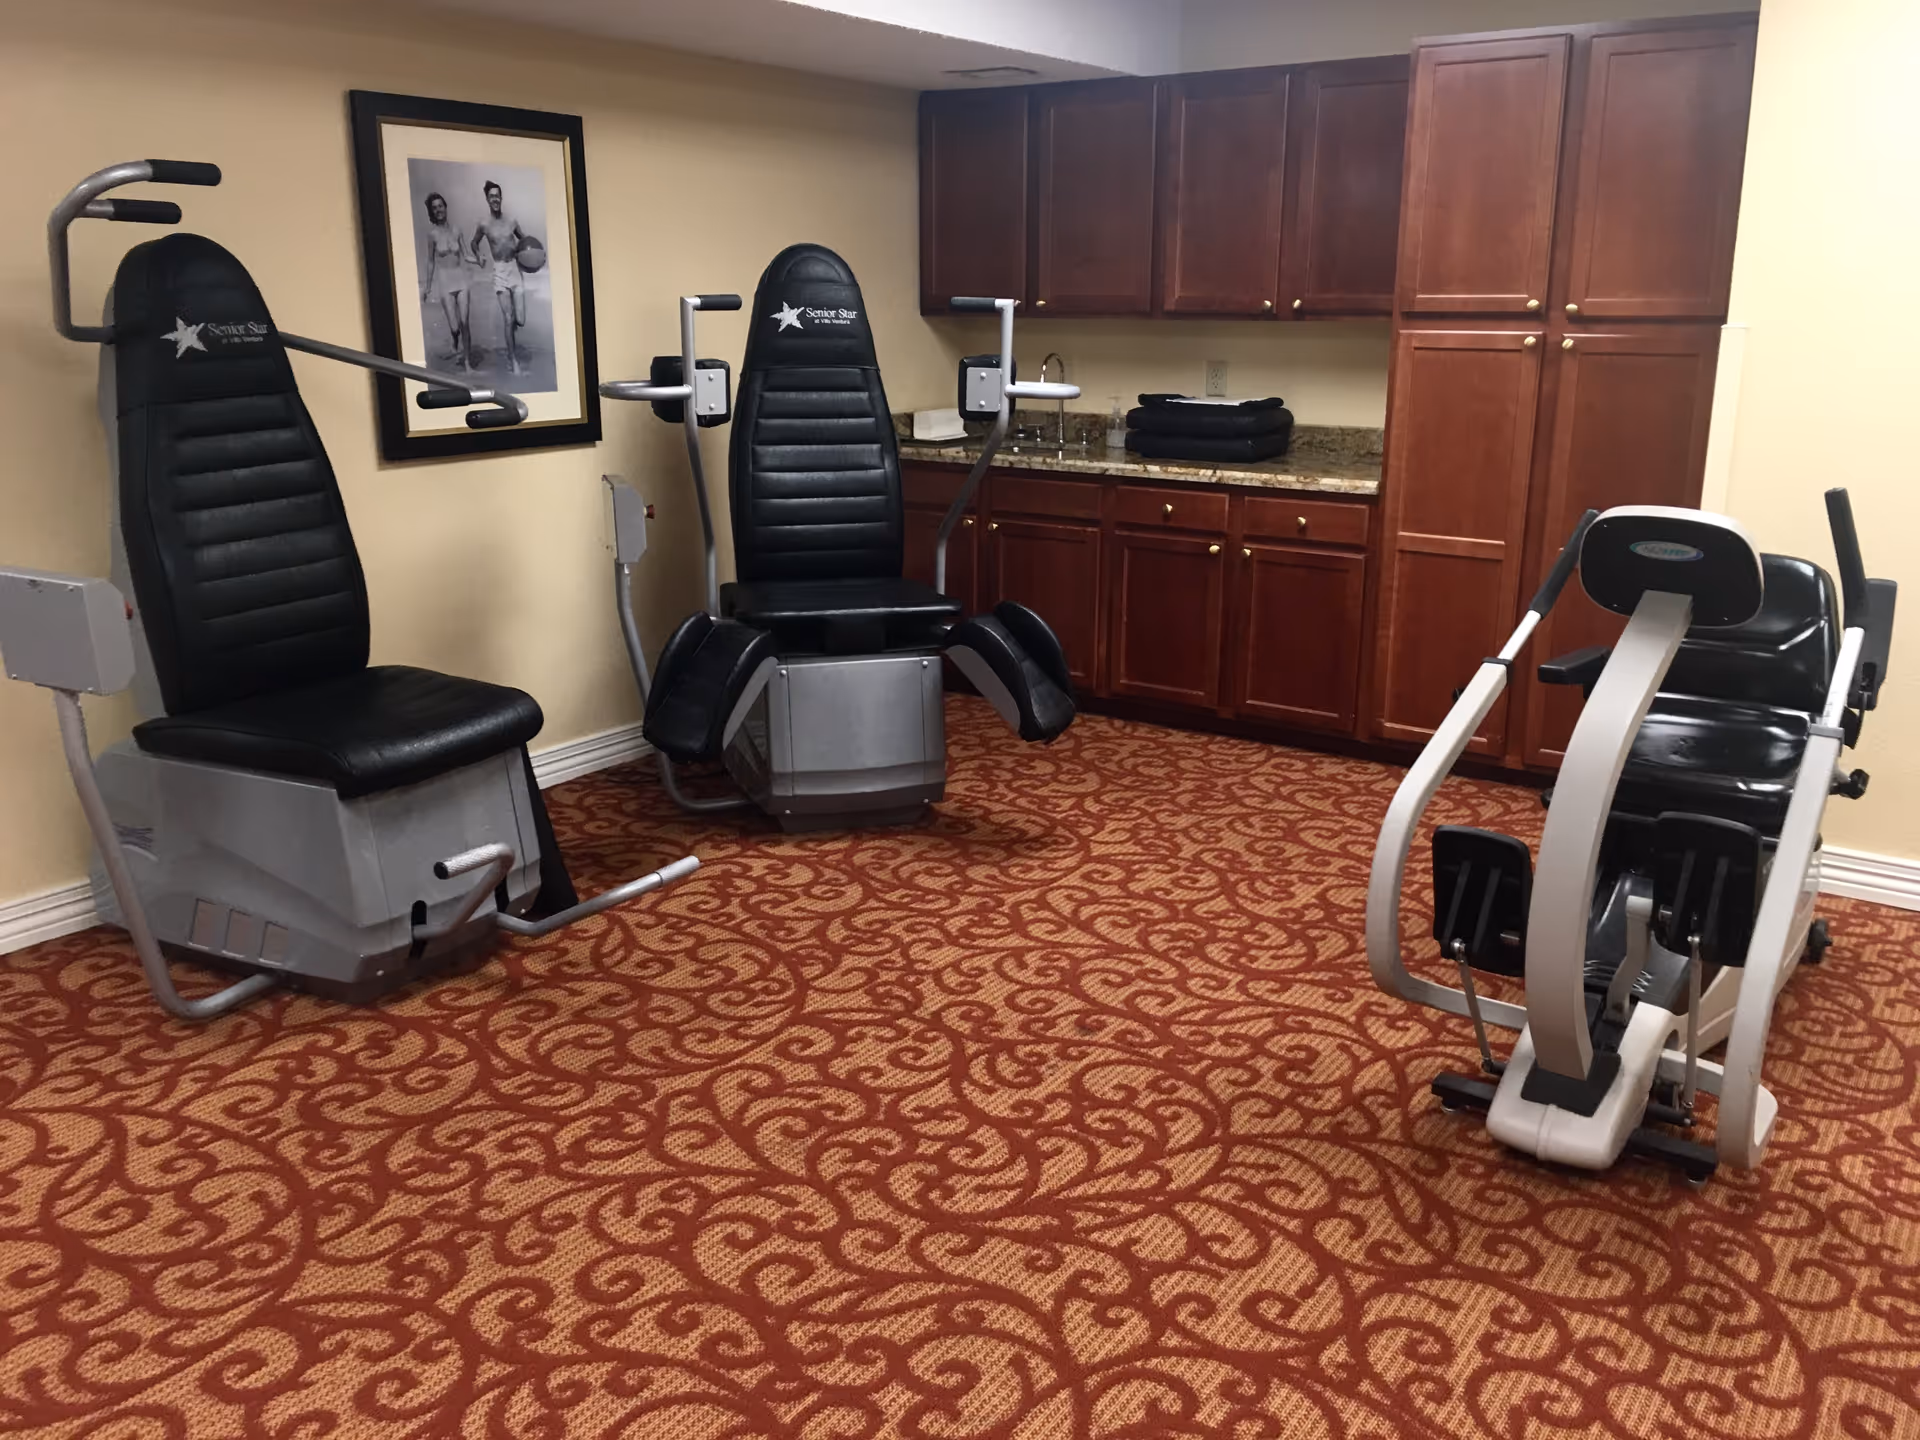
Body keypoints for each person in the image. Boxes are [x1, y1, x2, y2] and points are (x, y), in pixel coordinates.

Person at [470, 180, 528, 376]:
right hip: (500, 271)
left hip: (515, 268)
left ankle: (512, 332)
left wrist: (533, 258)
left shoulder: (512, 221)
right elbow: (474, 243)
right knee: (508, 317)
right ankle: (513, 360)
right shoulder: (483, 224)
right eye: (491, 196)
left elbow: (525, 240)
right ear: (487, 199)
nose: (495, 199)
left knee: (520, 320)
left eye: (497, 195)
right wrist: (478, 255)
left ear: (501, 198)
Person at [418, 192, 472, 371]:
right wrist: (427, 287)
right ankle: (454, 340)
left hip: (461, 280)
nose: (438, 210)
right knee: (455, 327)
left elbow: (466, 255)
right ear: (431, 212)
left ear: (445, 207)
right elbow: (431, 261)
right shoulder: (432, 235)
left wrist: (479, 260)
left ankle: (468, 364)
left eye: (440, 206)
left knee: (464, 322)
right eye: (434, 208)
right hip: (445, 283)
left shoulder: (457, 230)